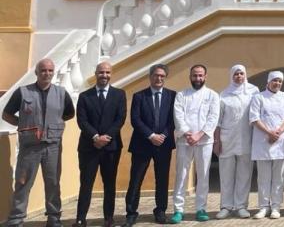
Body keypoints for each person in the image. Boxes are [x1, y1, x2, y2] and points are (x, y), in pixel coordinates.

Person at [3, 58, 75, 227]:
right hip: (30, 147)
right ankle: (16, 220)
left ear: (54, 72)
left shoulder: (61, 93)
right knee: (22, 183)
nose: (47, 74)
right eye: (43, 70)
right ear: (36, 73)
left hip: (53, 146)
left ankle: (54, 218)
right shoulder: (23, 92)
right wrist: (22, 125)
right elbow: (6, 114)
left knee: (53, 183)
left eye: (50, 70)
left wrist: (54, 124)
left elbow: (69, 114)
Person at [123, 64, 176, 227]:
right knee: (136, 180)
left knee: (162, 179)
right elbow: (135, 119)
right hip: (142, 144)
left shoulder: (172, 95)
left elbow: (174, 119)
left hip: (164, 144)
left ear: (164, 78)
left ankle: (160, 211)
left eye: (162, 76)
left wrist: (163, 135)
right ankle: (131, 213)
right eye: (156, 75)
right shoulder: (139, 96)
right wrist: (151, 135)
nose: (159, 78)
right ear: (150, 76)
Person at [75, 61, 127, 227]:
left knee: (109, 183)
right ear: (95, 74)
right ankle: (81, 218)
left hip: (111, 148)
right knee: (86, 183)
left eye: (107, 72)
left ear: (111, 74)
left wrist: (106, 137)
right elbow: (82, 121)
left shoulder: (119, 94)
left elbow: (120, 119)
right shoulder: (85, 96)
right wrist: (96, 137)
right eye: (101, 72)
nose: (104, 75)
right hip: (89, 147)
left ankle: (108, 218)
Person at [170, 65, 220, 223]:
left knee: (203, 175)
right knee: (181, 175)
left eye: (200, 75)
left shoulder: (212, 95)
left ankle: (201, 208)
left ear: (205, 76)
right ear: (190, 76)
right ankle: (178, 209)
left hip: (204, 141)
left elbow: (213, 117)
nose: (197, 78)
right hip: (184, 141)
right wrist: (188, 133)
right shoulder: (181, 95)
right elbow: (178, 116)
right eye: (194, 75)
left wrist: (199, 135)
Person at [214, 65, 259, 219]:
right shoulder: (224, 94)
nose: (239, 76)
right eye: (236, 74)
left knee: (244, 174)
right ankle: (226, 206)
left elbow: (258, 115)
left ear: (245, 75)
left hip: (247, 139)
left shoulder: (253, 92)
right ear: (231, 76)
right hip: (227, 139)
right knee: (226, 174)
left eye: (241, 73)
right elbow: (218, 121)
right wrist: (217, 141)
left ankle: (241, 206)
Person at [249, 71, 284, 219]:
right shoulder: (258, 97)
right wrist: (269, 133)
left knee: (279, 178)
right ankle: (263, 207)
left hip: (280, 143)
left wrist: (278, 132)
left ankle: (276, 207)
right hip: (263, 142)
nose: (277, 84)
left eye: (280, 81)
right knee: (263, 178)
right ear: (268, 82)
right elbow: (255, 118)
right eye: (275, 81)